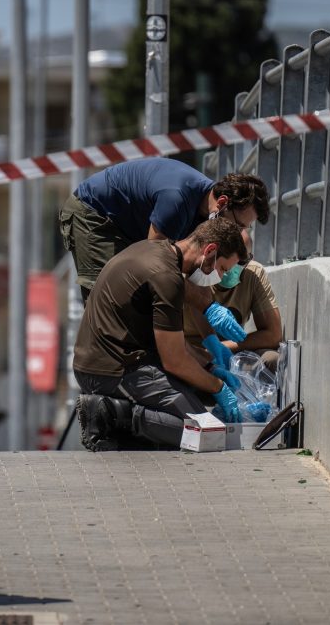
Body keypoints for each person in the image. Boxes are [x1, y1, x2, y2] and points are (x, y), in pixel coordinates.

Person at [72, 217, 248, 452]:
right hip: (109, 369)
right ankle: (111, 414)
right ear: (210, 251)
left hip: (118, 358)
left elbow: (172, 342)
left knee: (200, 394)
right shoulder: (167, 277)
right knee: (207, 433)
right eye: (222, 269)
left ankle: (134, 425)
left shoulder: (155, 249)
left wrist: (210, 369)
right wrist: (217, 387)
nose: (220, 277)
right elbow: (174, 360)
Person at [59, 156, 269, 349]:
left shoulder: (208, 215)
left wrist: (210, 339)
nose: (237, 232)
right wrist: (208, 307)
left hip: (131, 225)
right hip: (96, 214)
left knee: (139, 301)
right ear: (222, 203)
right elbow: (156, 268)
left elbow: (195, 280)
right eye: (238, 224)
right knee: (110, 299)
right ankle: (102, 370)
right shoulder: (177, 200)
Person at [183, 231, 282, 372]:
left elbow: (273, 335)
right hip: (192, 352)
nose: (233, 267)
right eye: (229, 260)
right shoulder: (194, 272)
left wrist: (223, 347)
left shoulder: (253, 274)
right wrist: (205, 351)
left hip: (232, 349)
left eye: (242, 261)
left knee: (271, 359)